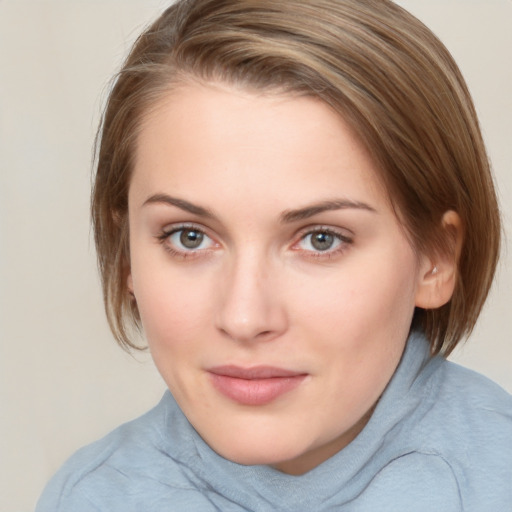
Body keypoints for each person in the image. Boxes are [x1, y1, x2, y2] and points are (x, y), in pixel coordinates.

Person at [36, 0, 512, 510]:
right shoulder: (88, 497)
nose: (245, 318)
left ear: (435, 259)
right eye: (189, 237)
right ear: (128, 254)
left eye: (321, 239)